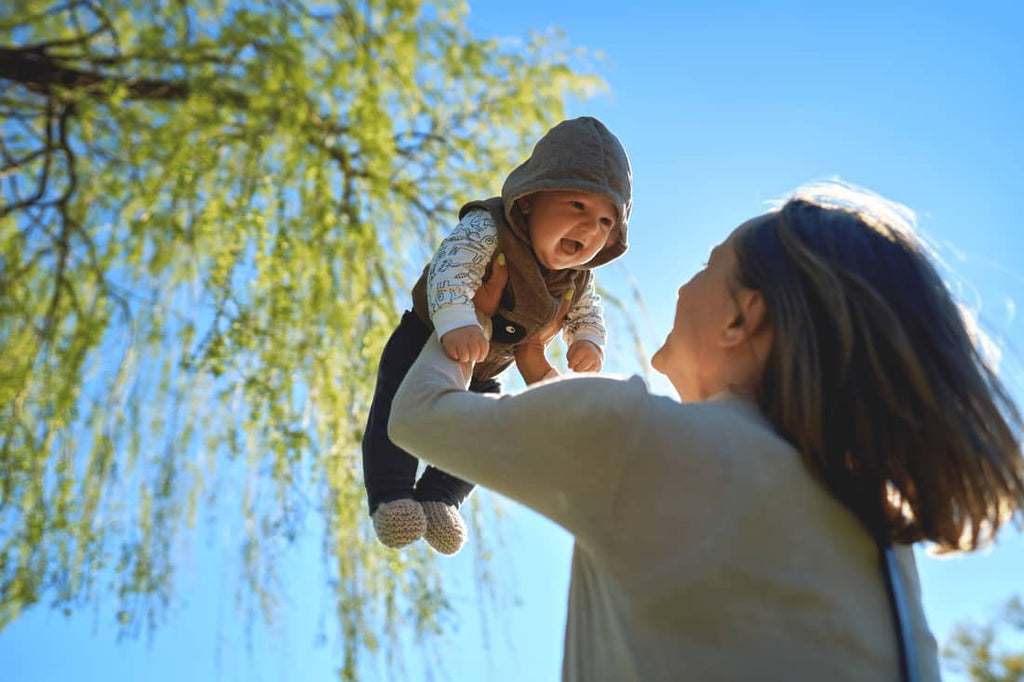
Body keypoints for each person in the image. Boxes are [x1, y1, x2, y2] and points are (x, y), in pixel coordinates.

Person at [388, 182, 1024, 681]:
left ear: (742, 318)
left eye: (707, 266)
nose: (685, 283)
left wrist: (469, 314)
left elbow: (419, 415)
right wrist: (536, 369)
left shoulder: (631, 438)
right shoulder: (878, 533)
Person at [362, 116, 632, 554]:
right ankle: (390, 494)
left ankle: (441, 496)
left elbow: (587, 311)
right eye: (577, 206)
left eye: (605, 221)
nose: (589, 229)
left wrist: (586, 341)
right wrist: (458, 321)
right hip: (426, 337)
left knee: (491, 429)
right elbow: (453, 266)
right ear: (529, 202)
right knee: (396, 409)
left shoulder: (577, 277)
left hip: (491, 364)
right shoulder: (490, 228)